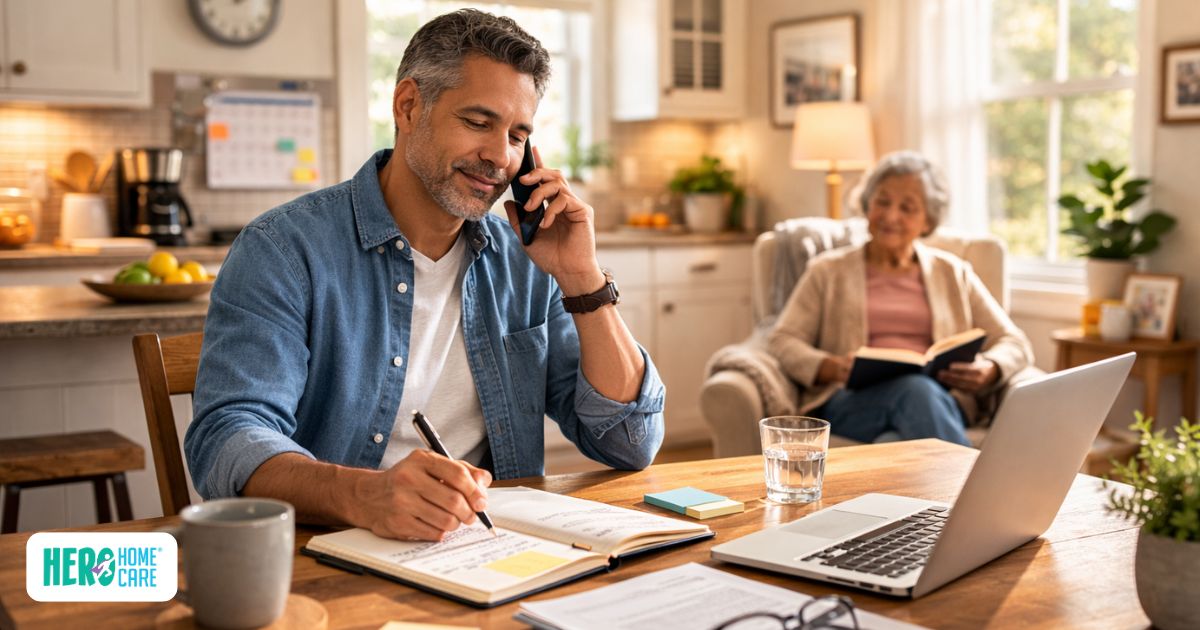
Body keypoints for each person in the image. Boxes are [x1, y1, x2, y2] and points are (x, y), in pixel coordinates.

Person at [185, 9, 665, 542]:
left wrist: (582, 279)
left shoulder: (527, 262)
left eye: (517, 135)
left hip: (487, 549)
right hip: (328, 552)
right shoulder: (283, 249)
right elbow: (227, 439)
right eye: (478, 123)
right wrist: (365, 495)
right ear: (409, 105)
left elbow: (629, 441)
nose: (499, 157)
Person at [767, 151, 1034, 446]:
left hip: (939, 400)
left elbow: (1014, 342)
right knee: (914, 391)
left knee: (899, 429)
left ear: (928, 221)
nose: (891, 216)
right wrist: (830, 366)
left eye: (907, 208)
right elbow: (783, 340)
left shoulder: (952, 272)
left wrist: (991, 367)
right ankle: (978, 489)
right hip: (852, 402)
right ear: (867, 205)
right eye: (882, 202)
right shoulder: (827, 271)